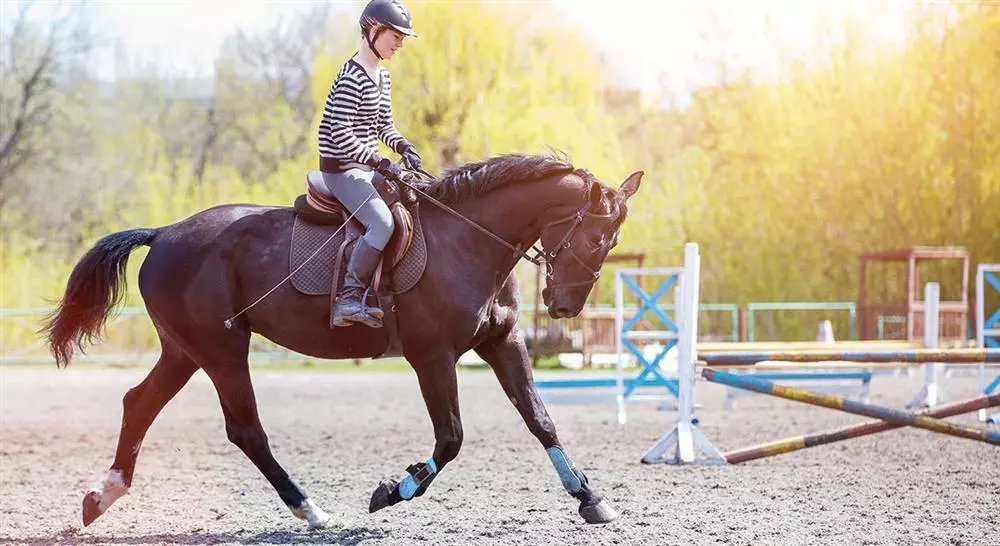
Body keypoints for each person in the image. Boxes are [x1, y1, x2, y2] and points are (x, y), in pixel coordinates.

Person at [317, 0, 421, 329]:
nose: (400, 44)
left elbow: (383, 125)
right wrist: (378, 159)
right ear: (373, 30)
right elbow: (341, 133)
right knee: (382, 222)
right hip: (342, 170)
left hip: (365, 166)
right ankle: (347, 298)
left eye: (403, 38)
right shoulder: (351, 77)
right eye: (396, 36)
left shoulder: (382, 77)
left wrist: (402, 145)